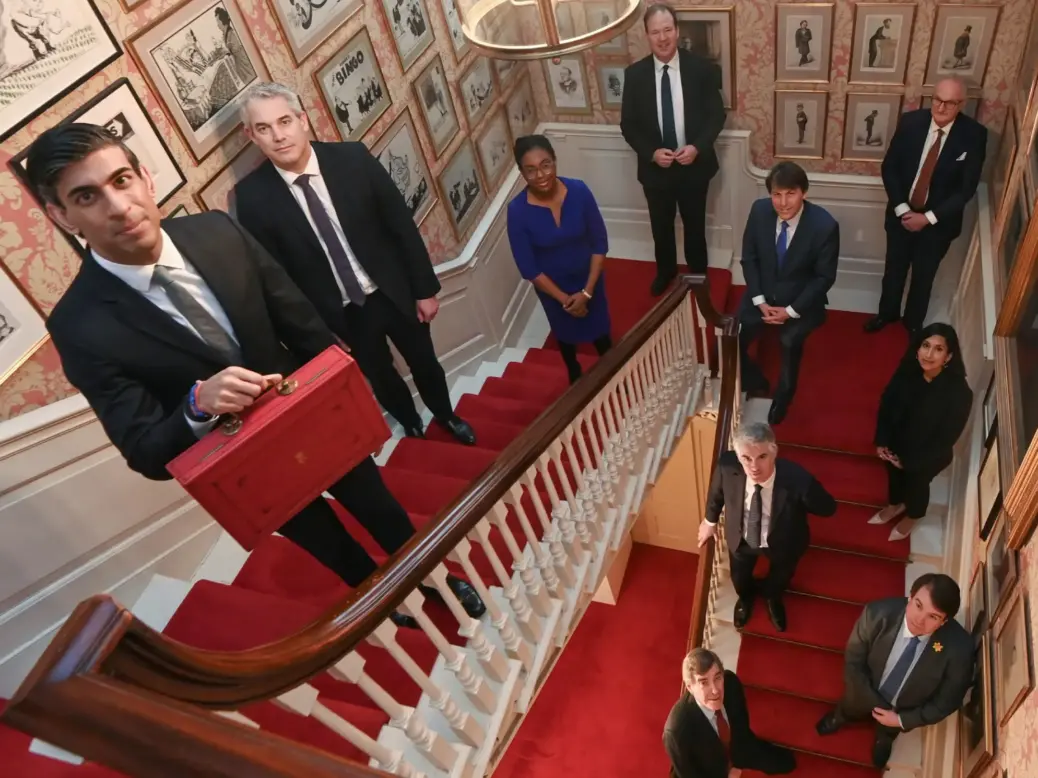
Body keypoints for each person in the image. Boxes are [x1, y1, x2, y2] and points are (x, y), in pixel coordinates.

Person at [26, 123, 484, 629]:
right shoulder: (79, 325)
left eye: (122, 180)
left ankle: (435, 579)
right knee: (330, 545)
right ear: (60, 216)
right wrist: (197, 405)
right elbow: (146, 451)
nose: (117, 206)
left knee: (383, 509)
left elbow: (302, 322)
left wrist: (347, 402)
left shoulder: (217, 231)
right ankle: (381, 600)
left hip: (311, 418)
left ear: (146, 181)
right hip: (245, 469)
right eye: (87, 196)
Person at [233, 82, 476, 445]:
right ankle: (410, 424)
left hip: (393, 292)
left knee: (425, 363)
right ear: (250, 135)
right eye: (264, 128)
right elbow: (277, 278)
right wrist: (316, 331)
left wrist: (424, 289)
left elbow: (400, 226)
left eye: (284, 121)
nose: (278, 136)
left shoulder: (352, 159)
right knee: (380, 377)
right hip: (342, 315)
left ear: (303, 120)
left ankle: (446, 414)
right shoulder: (251, 197)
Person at [864, 77, 986, 337]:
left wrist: (927, 218)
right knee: (894, 270)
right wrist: (901, 209)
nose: (940, 108)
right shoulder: (911, 123)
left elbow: (965, 189)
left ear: (961, 104)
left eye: (949, 103)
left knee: (923, 276)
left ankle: (913, 324)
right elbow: (890, 167)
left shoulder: (974, 134)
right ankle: (887, 314)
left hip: (938, 225)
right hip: (901, 215)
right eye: (937, 100)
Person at [620, 2, 726, 295]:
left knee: (695, 228)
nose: (663, 38)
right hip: (656, 171)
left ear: (677, 31)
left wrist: (697, 147)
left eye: (668, 30)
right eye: (656, 32)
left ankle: (698, 275)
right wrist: (652, 153)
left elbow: (717, 115)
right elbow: (628, 125)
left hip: (694, 166)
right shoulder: (635, 75)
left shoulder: (701, 69)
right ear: (647, 35)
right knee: (660, 229)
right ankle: (665, 272)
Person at [816, 573, 973, 769]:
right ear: (910, 597)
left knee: (888, 730)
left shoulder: (960, 650)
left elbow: (945, 703)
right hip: (863, 690)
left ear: (944, 622)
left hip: (903, 709)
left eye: (933, 617)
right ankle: (839, 717)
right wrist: (867, 698)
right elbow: (853, 660)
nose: (919, 619)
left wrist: (900, 720)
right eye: (918, 605)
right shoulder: (876, 614)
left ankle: (884, 739)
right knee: (849, 707)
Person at [697, 422, 836, 632]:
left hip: (784, 541)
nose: (754, 466)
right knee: (739, 578)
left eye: (762, 457)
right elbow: (717, 494)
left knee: (780, 577)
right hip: (742, 538)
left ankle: (772, 598)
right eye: (746, 458)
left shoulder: (797, 478)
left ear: (774, 451)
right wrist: (710, 521)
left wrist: (806, 491)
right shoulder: (727, 466)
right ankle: (746, 599)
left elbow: (828, 508)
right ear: (737, 456)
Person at [737, 162, 839, 425]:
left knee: (789, 342)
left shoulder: (824, 226)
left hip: (800, 301)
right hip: (762, 295)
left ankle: (783, 396)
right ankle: (753, 380)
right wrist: (759, 301)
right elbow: (749, 258)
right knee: (733, 334)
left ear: (803, 192)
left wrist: (790, 311)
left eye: (790, 194)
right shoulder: (759, 211)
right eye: (776, 194)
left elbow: (823, 278)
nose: (783, 203)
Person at [506, 135, 611, 384]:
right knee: (565, 336)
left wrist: (586, 293)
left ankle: (613, 368)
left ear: (554, 161)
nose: (541, 175)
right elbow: (528, 268)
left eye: (545, 164)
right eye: (531, 170)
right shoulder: (517, 211)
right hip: (553, 291)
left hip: (590, 279)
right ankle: (573, 371)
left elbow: (599, 243)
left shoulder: (579, 191)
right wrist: (565, 300)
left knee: (602, 334)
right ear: (522, 173)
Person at [870, 323, 973, 540]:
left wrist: (909, 462)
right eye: (925, 345)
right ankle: (894, 505)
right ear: (917, 348)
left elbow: (946, 439)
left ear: (948, 356)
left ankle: (913, 515)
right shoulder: (907, 371)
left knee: (916, 485)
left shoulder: (959, 393)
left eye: (938, 349)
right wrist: (881, 441)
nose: (929, 354)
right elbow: (887, 405)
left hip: (927, 455)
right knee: (893, 477)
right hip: (896, 445)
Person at [663, 648, 796, 778]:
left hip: (739, 748)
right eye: (704, 682)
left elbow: (742, 727)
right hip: (710, 772)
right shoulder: (676, 733)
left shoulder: (730, 683)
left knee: (787, 763)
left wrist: (739, 761)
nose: (715, 690)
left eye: (717, 678)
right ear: (690, 687)